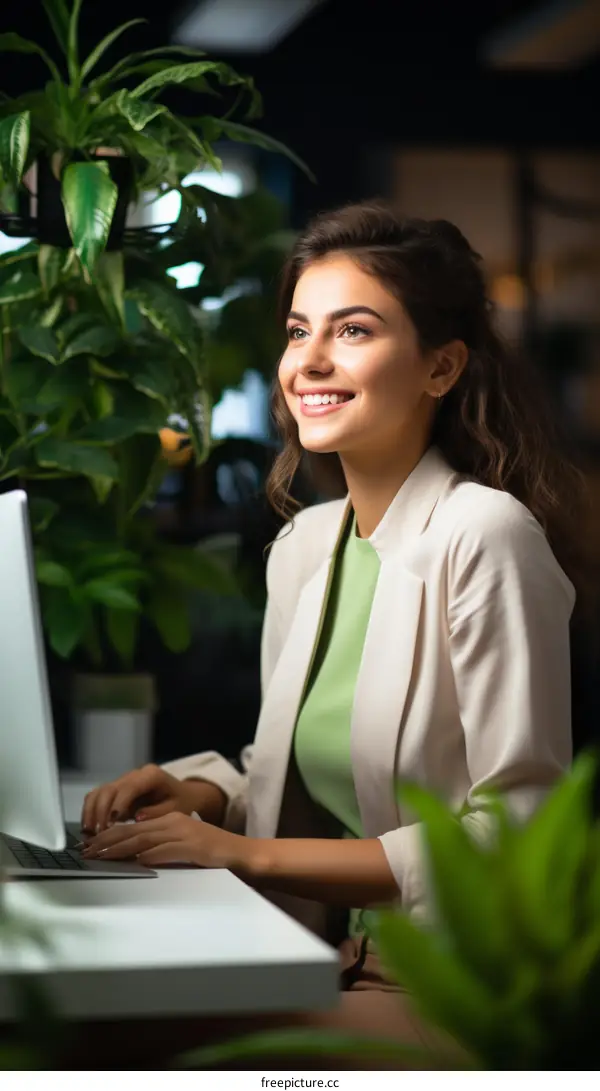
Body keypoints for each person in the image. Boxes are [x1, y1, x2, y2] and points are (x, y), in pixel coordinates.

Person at [79, 201, 583, 1068]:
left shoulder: (485, 537)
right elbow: (313, 776)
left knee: (93, 1037)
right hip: (318, 957)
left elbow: (515, 831)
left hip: (447, 986)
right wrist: (203, 793)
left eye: (352, 331)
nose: (307, 360)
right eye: (298, 330)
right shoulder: (307, 545)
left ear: (441, 366)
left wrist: (243, 852)